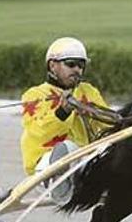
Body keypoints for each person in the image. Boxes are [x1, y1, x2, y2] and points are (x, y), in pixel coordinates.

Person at [20, 37, 109, 179]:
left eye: (81, 66)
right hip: (45, 162)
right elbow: (40, 131)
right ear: (52, 66)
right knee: (69, 149)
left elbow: (108, 124)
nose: (77, 70)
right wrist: (63, 111)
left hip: (83, 159)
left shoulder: (88, 91)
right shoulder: (34, 95)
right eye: (71, 64)